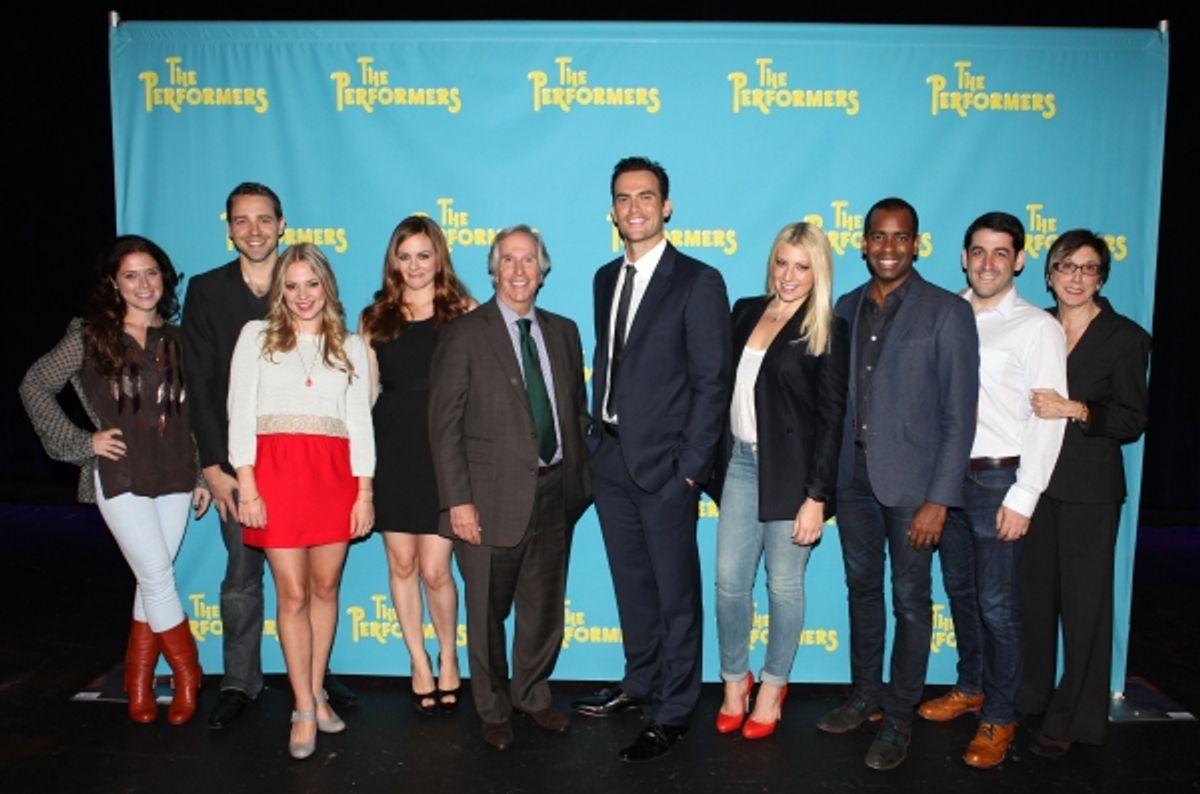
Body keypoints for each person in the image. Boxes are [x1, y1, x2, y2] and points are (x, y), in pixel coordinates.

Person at [573, 156, 732, 762]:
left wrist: (689, 470)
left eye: (645, 196)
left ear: (666, 207)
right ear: (612, 211)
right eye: (623, 198)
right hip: (611, 459)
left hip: (666, 468)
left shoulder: (698, 281)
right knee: (632, 586)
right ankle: (640, 682)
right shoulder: (603, 279)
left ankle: (673, 710)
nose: (634, 207)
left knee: (675, 595)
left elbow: (712, 383)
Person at [814, 197, 979, 771]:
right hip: (853, 481)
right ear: (863, 244)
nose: (889, 247)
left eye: (900, 237)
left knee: (911, 600)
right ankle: (866, 696)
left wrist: (940, 499)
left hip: (915, 490)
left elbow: (959, 416)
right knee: (862, 590)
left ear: (917, 244)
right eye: (879, 237)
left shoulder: (947, 312)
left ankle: (900, 717)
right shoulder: (845, 307)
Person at [20, 235, 210, 725]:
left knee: (152, 579)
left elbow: (195, 413)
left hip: (176, 473)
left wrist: (202, 472)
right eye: (130, 275)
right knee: (157, 576)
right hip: (119, 473)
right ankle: (189, 675)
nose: (143, 284)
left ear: (164, 278)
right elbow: (34, 384)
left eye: (151, 273)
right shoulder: (90, 335)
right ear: (113, 283)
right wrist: (81, 441)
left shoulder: (180, 338)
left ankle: (137, 679)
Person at [429, 226, 591, 751]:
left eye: (529, 260)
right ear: (493, 269)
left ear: (542, 271)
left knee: (543, 608)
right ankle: (493, 708)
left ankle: (533, 695)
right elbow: (444, 426)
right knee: (486, 613)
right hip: (486, 499)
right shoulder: (464, 334)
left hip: (554, 493)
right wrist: (458, 500)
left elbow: (576, 410)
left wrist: (579, 483)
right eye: (508, 260)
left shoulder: (564, 332)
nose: (519, 270)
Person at [917, 212, 1067, 768]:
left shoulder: (1037, 327)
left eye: (1001, 252)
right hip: (945, 481)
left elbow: (1049, 417)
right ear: (963, 257)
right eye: (978, 251)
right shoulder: (943, 314)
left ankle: (1000, 716)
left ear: (1020, 261)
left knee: (999, 606)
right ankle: (972, 686)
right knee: (960, 593)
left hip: (999, 480)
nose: (987, 263)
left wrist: (1025, 494)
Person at [226, 242, 375, 759]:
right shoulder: (256, 336)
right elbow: (239, 413)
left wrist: (364, 491)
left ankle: (316, 691)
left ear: (326, 286)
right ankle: (303, 708)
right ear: (280, 290)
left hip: (334, 476)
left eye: (312, 284)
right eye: (291, 286)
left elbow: (360, 423)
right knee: (292, 594)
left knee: (326, 588)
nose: (302, 295)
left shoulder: (350, 345)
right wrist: (247, 484)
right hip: (275, 476)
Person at [711, 222, 849, 740]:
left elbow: (832, 419)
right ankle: (734, 680)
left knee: (784, 586)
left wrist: (817, 496)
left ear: (819, 272)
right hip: (740, 463)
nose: (789, 276)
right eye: (782, 263)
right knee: (729, 583)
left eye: (802, 267)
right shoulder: (746, 311)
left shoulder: (828, 327)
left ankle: (772, 686)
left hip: (794, 473)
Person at [1017, 229, 1151, 759]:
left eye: (1088, 268)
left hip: (1090, 491)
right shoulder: (1035, 326)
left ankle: (1077, 717)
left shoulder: (1125, 337)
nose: (1076, 277)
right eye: (1066, 266)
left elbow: (1132, 419)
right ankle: (1031, 697)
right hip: (1033, 485)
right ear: (1049, 274)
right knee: (1033, 601)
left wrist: (1074, 408)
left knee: (1084, 607)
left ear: (1101, 278)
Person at [359, 216, 475, 713]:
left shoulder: (463, 312)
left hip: (443, 453)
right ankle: (418, 660)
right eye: (404, 257)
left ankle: (449, 654)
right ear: (393, 262)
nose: (414, 266)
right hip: (391, 450)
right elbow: (364, 396)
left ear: (439, 258)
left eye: (423, 255)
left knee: (434, 569)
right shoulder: (374, 318)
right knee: (401, 564)